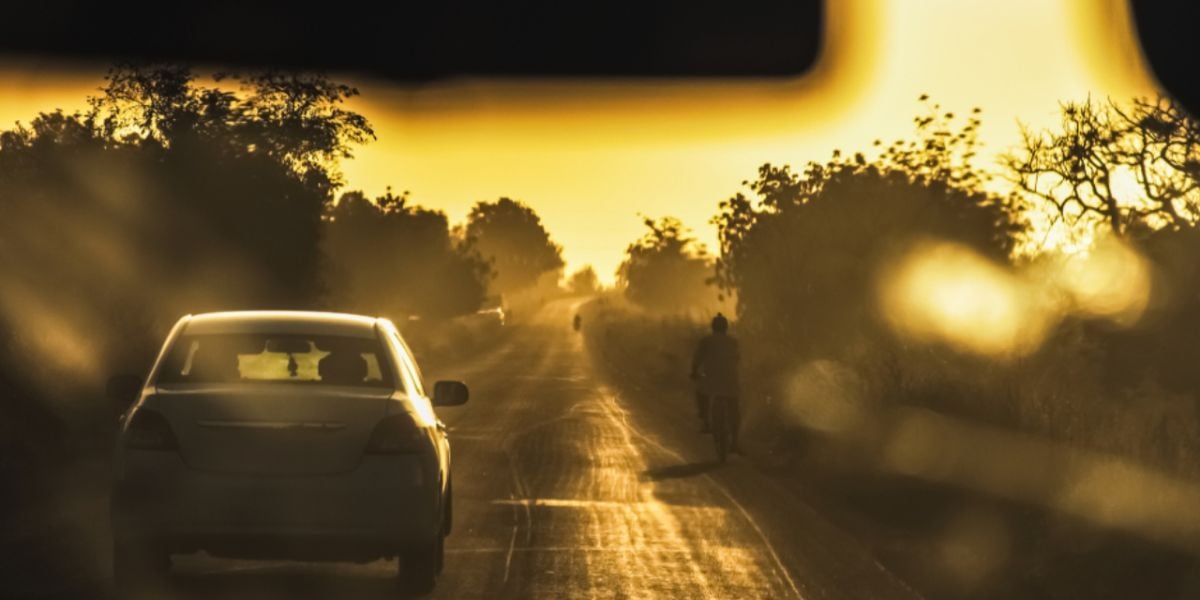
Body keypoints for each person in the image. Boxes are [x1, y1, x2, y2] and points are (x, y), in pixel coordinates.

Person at [690, 313, 740, 452]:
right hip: (730, 380)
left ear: (713, 327)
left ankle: (706, 421)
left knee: (701, 392)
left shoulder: (706, 341)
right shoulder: (733, 341)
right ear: (726, 327)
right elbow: (737, 359)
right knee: (734, 407)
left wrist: (694, 372)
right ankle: (735, 441)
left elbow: (697, 359)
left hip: (711, 378)